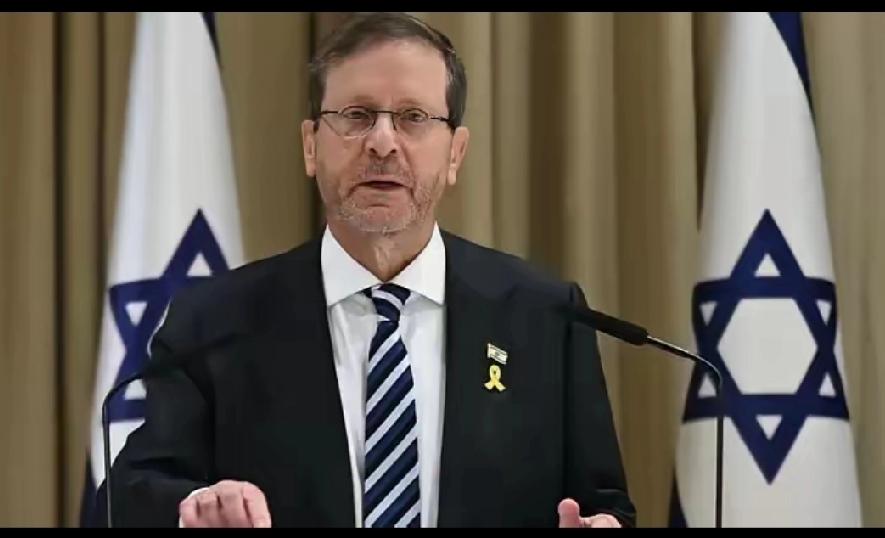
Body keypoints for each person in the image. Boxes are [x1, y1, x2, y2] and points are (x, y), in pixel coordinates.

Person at [102, 12, 636, 528]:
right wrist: (193, 511)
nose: (382, 142)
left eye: (413, 117)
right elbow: (128, 499)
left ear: (455, 153)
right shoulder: (216, 323)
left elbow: (604, 504)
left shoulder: (545, 316)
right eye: (356, 116)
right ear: (311, 146)